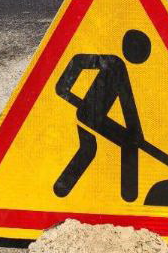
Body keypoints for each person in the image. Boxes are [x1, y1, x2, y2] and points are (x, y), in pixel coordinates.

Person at [52, 29, 151, 202]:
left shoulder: (117, 65)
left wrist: (136, 132)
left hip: (93, 117)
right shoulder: (114, 63)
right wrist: (70, 96)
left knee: (91, 148)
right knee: (95, 148)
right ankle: (129, 197)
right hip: (89, 115)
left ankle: (129, 197)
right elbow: (75, 64)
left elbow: (126, 102)